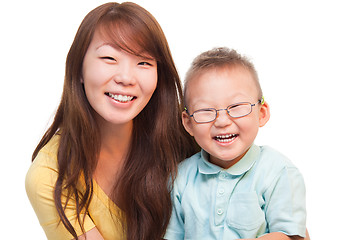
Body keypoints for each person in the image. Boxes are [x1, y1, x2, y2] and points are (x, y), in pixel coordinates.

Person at [25, 2, 198, 240]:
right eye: (109, 58)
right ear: (79, 70)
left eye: (144, 62)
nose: (126, 77)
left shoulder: (187, 134)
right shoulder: (51, 175)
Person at [164, 47, 307, 240]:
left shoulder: (278, 171)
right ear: (188, 123)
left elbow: (291, 236)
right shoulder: (180, 178)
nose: (222, 121)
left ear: (262, 114)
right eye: (205, 110)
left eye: (236, 107)